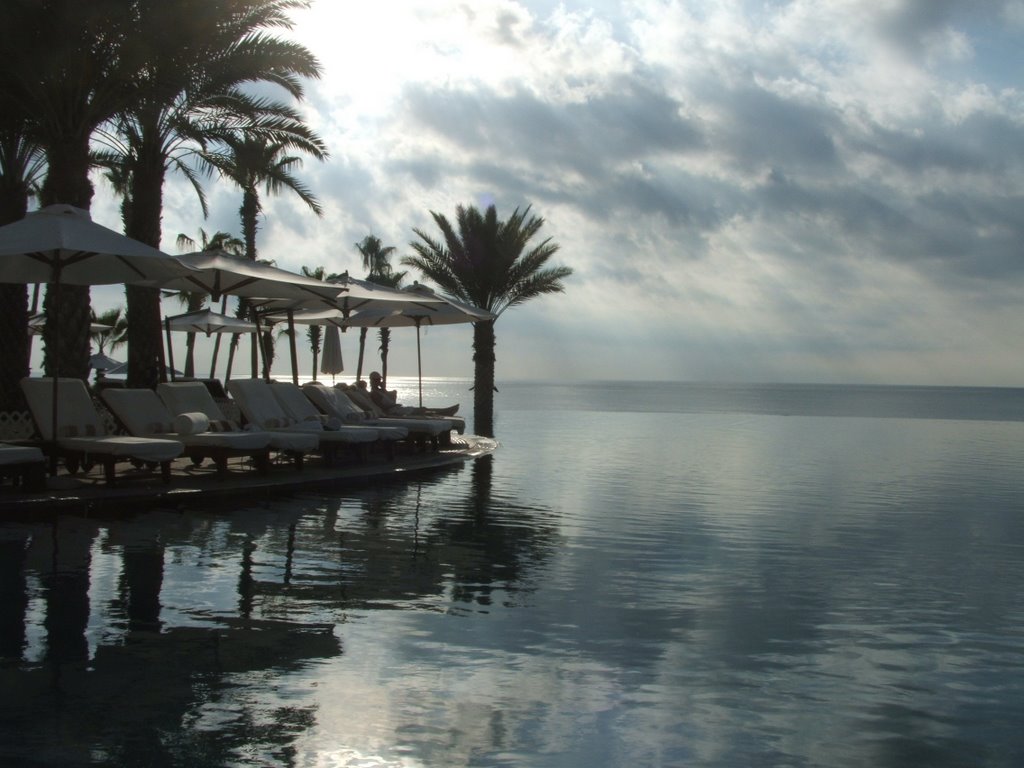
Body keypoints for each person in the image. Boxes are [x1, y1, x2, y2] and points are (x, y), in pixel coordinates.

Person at [368, 371, 460, 417]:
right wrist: (394, 405)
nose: (379, 381)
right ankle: (444, 413)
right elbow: (382, 408)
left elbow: (390, 400)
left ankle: (444, 411)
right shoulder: (374, 394)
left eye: (380, 380)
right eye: (377, 380)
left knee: (423, 409)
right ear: (373, 381)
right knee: (422, 410)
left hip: (396, 409)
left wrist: (384, 389)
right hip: (394, 411)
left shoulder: (380, 391)